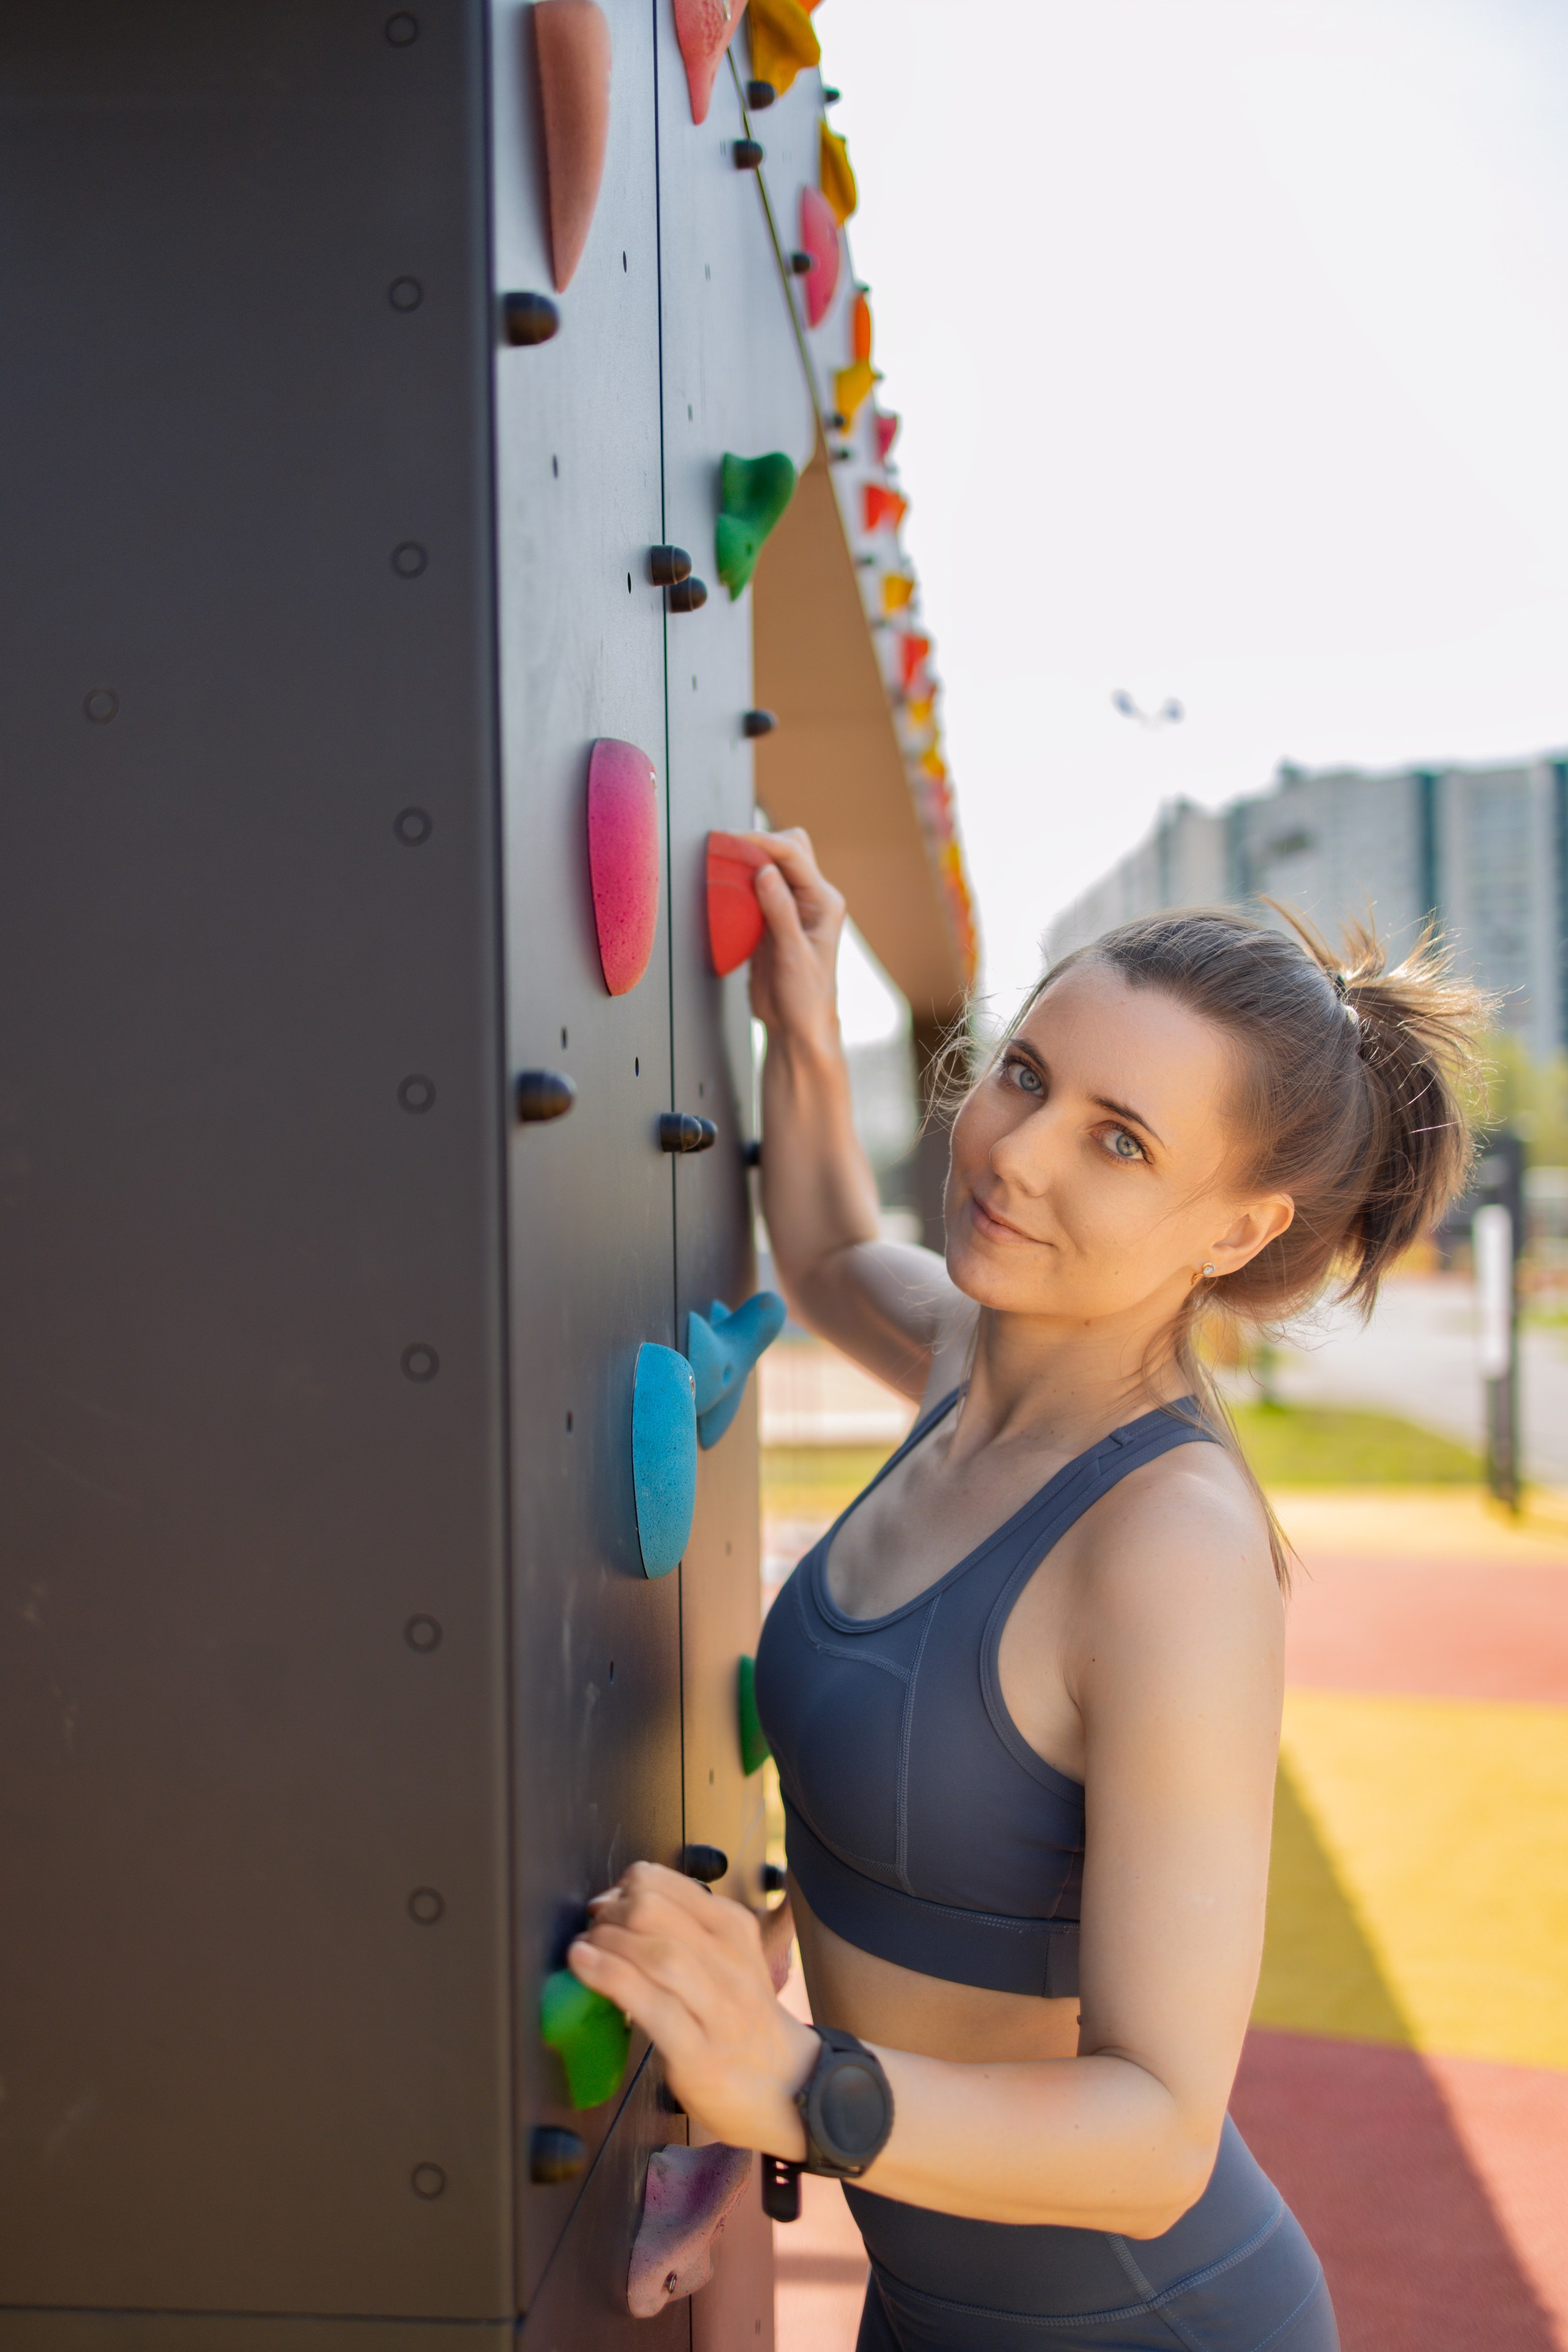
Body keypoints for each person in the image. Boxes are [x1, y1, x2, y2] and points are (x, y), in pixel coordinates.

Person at [569, 831, 1484, 2352]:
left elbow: (1155, 2138)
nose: (1017, 1152)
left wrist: (787, 2083)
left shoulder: (1165, 1546)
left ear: (1238, 1229)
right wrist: (797, 1024)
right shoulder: (961, 1358)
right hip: (929, 2310)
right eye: (1025, 1075)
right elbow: (825, 1247)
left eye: (1119, 1142)